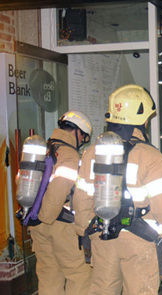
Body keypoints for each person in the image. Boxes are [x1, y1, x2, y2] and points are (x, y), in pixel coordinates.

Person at [73, 84, 162, 294]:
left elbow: (81, 198)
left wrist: (83, 230)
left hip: (102, 235)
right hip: (140, 242)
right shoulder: (150, 156)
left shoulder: (91, 153)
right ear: (143, 120)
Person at [28, 111, 93, 295]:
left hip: (37, 224)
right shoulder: (70, 156)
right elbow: (59, 190)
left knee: (49, 274)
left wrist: (37, 218)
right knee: (78, 275)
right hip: (60, 225)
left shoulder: (43, 149)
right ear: (77, 132)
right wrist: (45, 217)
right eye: (84, 137)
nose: (83, 141)